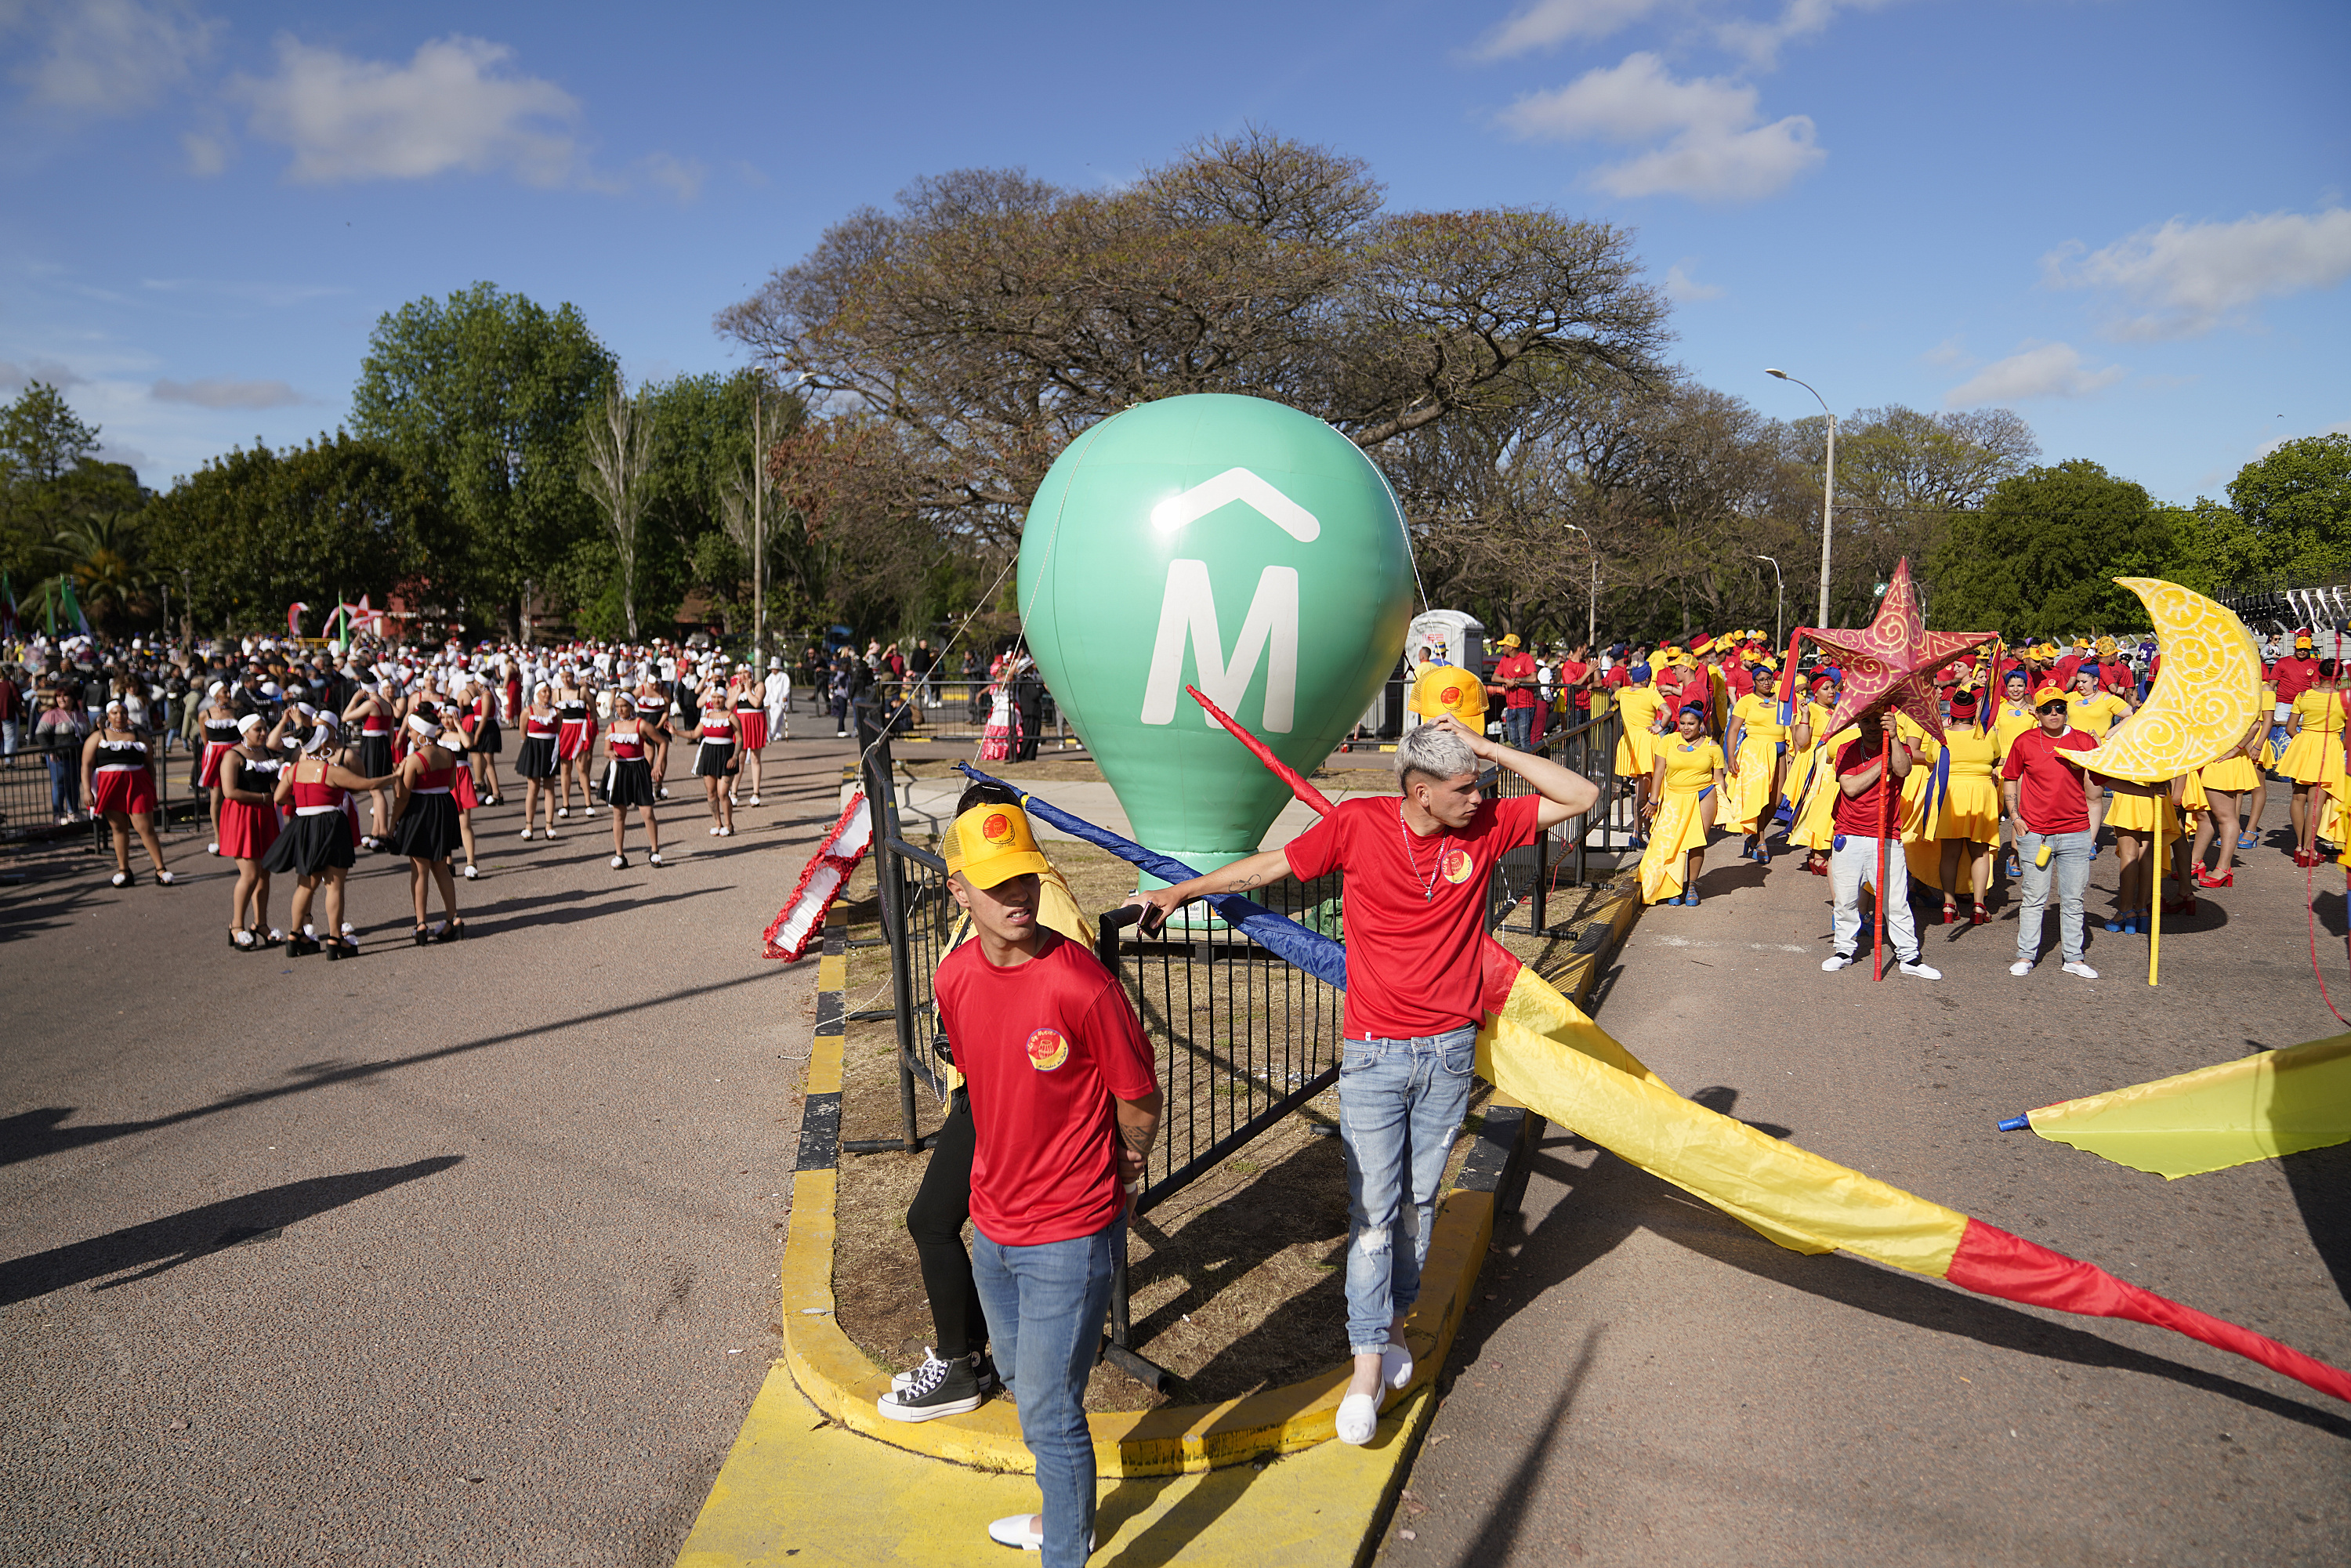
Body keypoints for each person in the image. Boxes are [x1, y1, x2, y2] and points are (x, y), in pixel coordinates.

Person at [1129, 716, 1596, 1449]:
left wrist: (1490, 750)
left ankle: (1398, 1327)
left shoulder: (1487, 825)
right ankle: (1366, 1367)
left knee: (1415, 1204)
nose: (1480, 795)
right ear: (1420, 792)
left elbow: (1582, 793)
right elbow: (1264, 870)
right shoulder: (1356, 826)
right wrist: (1179, 892)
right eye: (1463, 787)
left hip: (1447, 1053)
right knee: (1375, 1212)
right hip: (1376, 1055)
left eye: (1478, 785)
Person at [933, 801, 1161, 1564]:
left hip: (1069, 1235)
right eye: (997, 883)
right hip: (992, 1230)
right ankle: (1062, 1517)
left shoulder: (1082, 985)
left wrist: (1125, 1173)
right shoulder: (954, 978)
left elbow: (1139, 1096)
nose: (1019, 896)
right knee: (1031, 1398)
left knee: (1052, 1408)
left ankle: (1066, 1547)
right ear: (959, 889)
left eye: (1026, 876)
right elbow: (983, 1089)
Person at [877, 782, 1092, 1425]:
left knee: (932, 1220)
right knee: (949, 1224)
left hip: (1013, 1100)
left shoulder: (1036, 899)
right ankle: (971, 1352)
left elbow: (1054, 991)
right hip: (984, 1090)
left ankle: (961, 1363)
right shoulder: (992, 891)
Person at [1821, 711, 1942, 980]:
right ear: (1858, 723)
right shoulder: (1847, 749)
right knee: (1846, 899)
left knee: (1896, 901)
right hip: (1849, 834)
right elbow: (1850, 788)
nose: (1874, 727)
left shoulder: (1899, 748)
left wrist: (1895, 738)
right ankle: (1844, 950)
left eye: (1879, 721)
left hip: (1886, 836)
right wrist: (1880, 765)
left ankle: (1909, 956)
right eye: (1867, 721)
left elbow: (1903, 769)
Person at [266, 718, 393, 959]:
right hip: (331, 826)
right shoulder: (330, 771)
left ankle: (295, 935)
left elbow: (279, 798)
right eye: (331, 740)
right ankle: (335, 939)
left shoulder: (295, 770)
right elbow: (367, 784)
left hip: (304, 825)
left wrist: (305, 805)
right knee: (334, 885)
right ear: (322, 745)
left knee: (306, 884)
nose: (335, 743)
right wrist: (394, 777)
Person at [2002, 684, 2101, 980]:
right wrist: (2014, 815)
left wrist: (2151, 788)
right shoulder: (2025, 741)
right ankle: (2026, 955)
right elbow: (2010, 778)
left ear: (2066, 710)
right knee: (2033, 897)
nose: (2054, 713)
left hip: (2075, 832)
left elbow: (2104, 780)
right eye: (2047, 709)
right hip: (2035, 834)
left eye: (2059, 707)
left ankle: (2073, 957)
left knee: (2073, 899)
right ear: (2038, 712)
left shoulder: (2084, 741)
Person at [390, 708, 465, 943]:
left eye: (412, 731)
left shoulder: (414, 760)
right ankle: (454, 918)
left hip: (421, 812)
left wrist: (397, 777)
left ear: (422, 734)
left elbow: (403, 795)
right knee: (441, 867)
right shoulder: (449, 755)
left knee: (420, 870)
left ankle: (421, 924)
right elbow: (452, 783)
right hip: (444, 808)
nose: (410, 735)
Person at [79, 698, 174, 888]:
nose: (119, 716)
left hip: (137, 786)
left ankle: (160, 869)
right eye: (115, 713)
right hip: (109, 787)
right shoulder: (98, 737)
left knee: (145, 828)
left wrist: (152, 787)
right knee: (118, 828)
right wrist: (87, 790)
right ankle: (124, 870)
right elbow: (86, 765)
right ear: (108, 716)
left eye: (123, 712)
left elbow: (149, 763)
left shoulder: (139, 736)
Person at [1639, 702, 1725, 906]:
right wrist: (1653, 800)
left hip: (1704, 795)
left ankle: (1692, 885)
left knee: (1696, 841)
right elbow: (1658, 772)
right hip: (1674, 796)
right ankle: (1675, 887)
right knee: (1674, 842)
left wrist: (1723, 811)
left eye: (1691, 724)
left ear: (1700, 725)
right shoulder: (1667, 741)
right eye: (1683, 723)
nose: (1686, 728)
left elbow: (1719, 780)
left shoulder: (1713, 747)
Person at [217, 713, 285, 949]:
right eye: (258, 729)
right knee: (249, 874)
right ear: (245, 731)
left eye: (265, 729)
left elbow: (275, 784)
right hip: (242, 816)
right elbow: (230, 791)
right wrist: (263, 797)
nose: (264, 733)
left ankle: (261, 924)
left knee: (264, 874)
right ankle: (236, 926)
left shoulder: (266, 754)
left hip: (265, 815)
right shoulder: (232, 756)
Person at [1934, 690, 2001, 925]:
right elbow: (1995, 757)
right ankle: (1979, 906)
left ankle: (1948, 904)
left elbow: (1934, 759)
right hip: (1980, 793)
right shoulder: (1987, 734)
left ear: (1951, 715)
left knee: (1950, 854)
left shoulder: (1942, 735)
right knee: (1980, 851)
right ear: (1973, 715)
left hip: (1951, 794)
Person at [2279, 659, 2343, 866]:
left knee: (2298, 798)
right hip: (2329, 747)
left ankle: (2299, 846)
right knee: (2317, 802)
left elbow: (2290, 729)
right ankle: (2309, 849)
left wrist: (2303, 742)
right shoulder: (2345, 700)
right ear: (2340, 678)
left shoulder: (2304, 695)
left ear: (2319, 675)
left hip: (2304, 745)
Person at [2191, 717, 2265, 887]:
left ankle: (2224, 868)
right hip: (2205, 757)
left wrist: (2235, 749)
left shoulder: (2236, 690)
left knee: (2225, 816)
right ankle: (2195, 862)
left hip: (2223, 759)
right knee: (2204, 814)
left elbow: (2254, 724)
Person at [602, 702, 666, 870]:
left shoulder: (641, 724)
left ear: (631, 706)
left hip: (638, 768)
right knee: (619, 814)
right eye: (617, 706)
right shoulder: (612, 727)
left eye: (624, 706)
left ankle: (654, 851)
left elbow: (663, 741)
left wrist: (658, 764)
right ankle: (619, 854)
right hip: (619, 770)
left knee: (647, 811)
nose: (620, 709)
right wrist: (610, 754)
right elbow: (606, 750)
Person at [514, 686, 563, 840]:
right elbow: (523, 731)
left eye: (549, 691)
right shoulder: (528, 711)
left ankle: (549, 825)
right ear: (537, 693)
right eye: (544, 691)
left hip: (549, 750)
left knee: (549, 788)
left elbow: (558, 730)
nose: (548, 694)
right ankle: (529, 825)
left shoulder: (557, 712)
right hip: (533, 749)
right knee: (533, 788)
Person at [37, 686, 89, 825]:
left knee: (74, 784)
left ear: (72, 698)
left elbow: (86, 734)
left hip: (77, 757)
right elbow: (41, 734)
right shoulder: (52, 714)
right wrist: (50, 751)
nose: (62, 699)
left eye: (65, 696)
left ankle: (73, 812)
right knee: (60, 785)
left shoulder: (79, 715)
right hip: (59, 758)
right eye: (59, 696)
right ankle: (58, 814)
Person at [691, 690, 740, 837]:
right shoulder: (707, 716)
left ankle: (728, 824)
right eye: (714, 697)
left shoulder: (731, 717)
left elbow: (740, 738)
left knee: (723, 793)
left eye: (719, 697)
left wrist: (735, 756)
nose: (716, 700)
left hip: (726, 755)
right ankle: (717, 823)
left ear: (725, 698)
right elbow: (694, 734)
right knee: (711, 793)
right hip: (709, 755)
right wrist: (675, 731)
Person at [1488, 633, 1539, 750]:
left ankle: (1525, 762)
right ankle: (1522, 757)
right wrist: (1506, 680)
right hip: (1511, 705)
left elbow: (1533, 678)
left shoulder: (1527, 658)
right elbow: (1494, 677)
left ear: (1511, 647)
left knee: (1524, 739)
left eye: (1504, 645)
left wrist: (1516, 681)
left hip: (1526, 705)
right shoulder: (1504, 660)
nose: (1502, 648)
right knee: (1512, 737)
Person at [730, 664, 768, 806]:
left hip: (755, 722)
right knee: (739, 757)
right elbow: (729, 705)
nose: (743, 675)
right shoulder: (735, 688)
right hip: (741, 723)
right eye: (740, 673)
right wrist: (740, 690)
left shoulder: (759, 686)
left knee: (755, 757)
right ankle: (733, 791)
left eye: (746, 672)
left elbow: (757, 703)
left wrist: (747, 689)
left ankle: (756, 792)